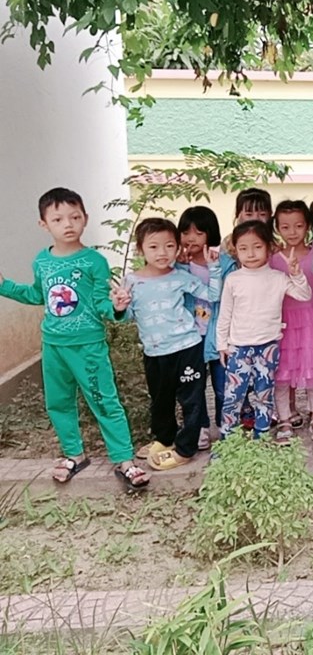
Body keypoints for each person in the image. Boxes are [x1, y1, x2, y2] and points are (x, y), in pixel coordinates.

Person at [0, 189, 149, 489]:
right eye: (57, 219)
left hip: (88, 346)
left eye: (75, 217)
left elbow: (101, 303)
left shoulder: (94, 261)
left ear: (85, 219)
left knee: (104, 401)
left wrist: (118, 307)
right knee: (58, 402)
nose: (68, 224)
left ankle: (124, 460)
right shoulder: (42, 261)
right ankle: (74, 454)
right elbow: (38, 295)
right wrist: (5, 286)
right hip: (53, 346)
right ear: (44, 224)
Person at [111, 218, 210, 471]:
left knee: (192, 400)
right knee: (160, 399)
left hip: (187, 348)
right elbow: (127, 315)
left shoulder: (181, 276)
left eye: (169, 245)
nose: (162, 252)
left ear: (177, 247)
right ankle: (165, 439)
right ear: (140, 250)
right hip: (155, 352)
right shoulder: (131, 281)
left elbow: (212, 295)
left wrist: (216, 268)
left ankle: (185, 448)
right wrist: (119, 307)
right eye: (154, 247)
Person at [215, 221, 311, 438]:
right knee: (233, 395)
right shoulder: (233, 280)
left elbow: (304, 295)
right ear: (235, 250)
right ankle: (227, 440)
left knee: (264, 394)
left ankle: (262, 436)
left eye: (257, 247)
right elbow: (225, 315)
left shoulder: (278, 278)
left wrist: (296, 274)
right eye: (243, 248)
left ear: (269, 247)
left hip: (268, 347)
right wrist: (222, 345)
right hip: (238, 347)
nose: (250, 254)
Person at [270, 201, 313, 444]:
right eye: (285, 227)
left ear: (307, 226)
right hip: (283, 325)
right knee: (283, 374)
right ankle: (284, 419)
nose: (292, 232)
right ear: (277, 228)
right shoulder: (272, 259)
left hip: (311, 322)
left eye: (298, 225)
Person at [177, 205, 224, 450]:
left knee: (222, 385)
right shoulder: (178, 267)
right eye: (186, 232)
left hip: (218, 334)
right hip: (190, 336)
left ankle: (225, 425)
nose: (191, 238)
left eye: (198, 232)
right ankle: (201, 427)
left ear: (210, 234)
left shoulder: (223, 263)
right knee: (193, 385)